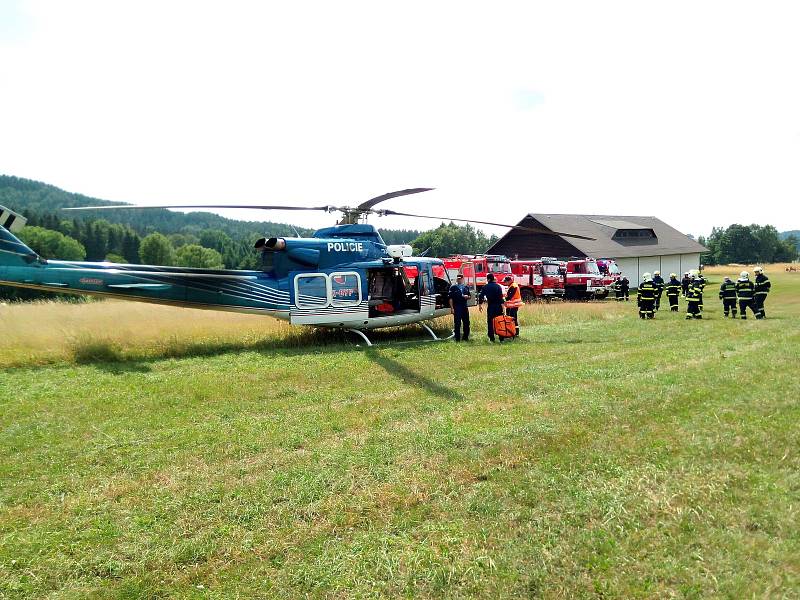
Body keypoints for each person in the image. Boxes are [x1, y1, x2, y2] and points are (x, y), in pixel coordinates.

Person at [478, 273, 506, 342]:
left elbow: (481, 296)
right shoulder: (498, 286)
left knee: (490, 322)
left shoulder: (485, 287)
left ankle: (491, 338)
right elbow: (501, 298)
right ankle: (501, 337)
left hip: (491, 306)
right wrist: (503, 307)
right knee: (499, 321)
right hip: (498, 306)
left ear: (488, 279)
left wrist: (480, 305)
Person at [448, 274, 471, 341]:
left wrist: (467, 297)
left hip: (464, 306)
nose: (459, 280)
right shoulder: (453, 287)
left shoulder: (466, 287)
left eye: (460, 279)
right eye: (458, 279)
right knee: (457, 323)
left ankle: (465, 337)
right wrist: (452, 308)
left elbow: (469, 296)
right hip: (457, 306)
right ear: (457, 279)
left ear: (463, 279)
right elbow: (450, 299)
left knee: (466, 322)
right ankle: (457, 338)